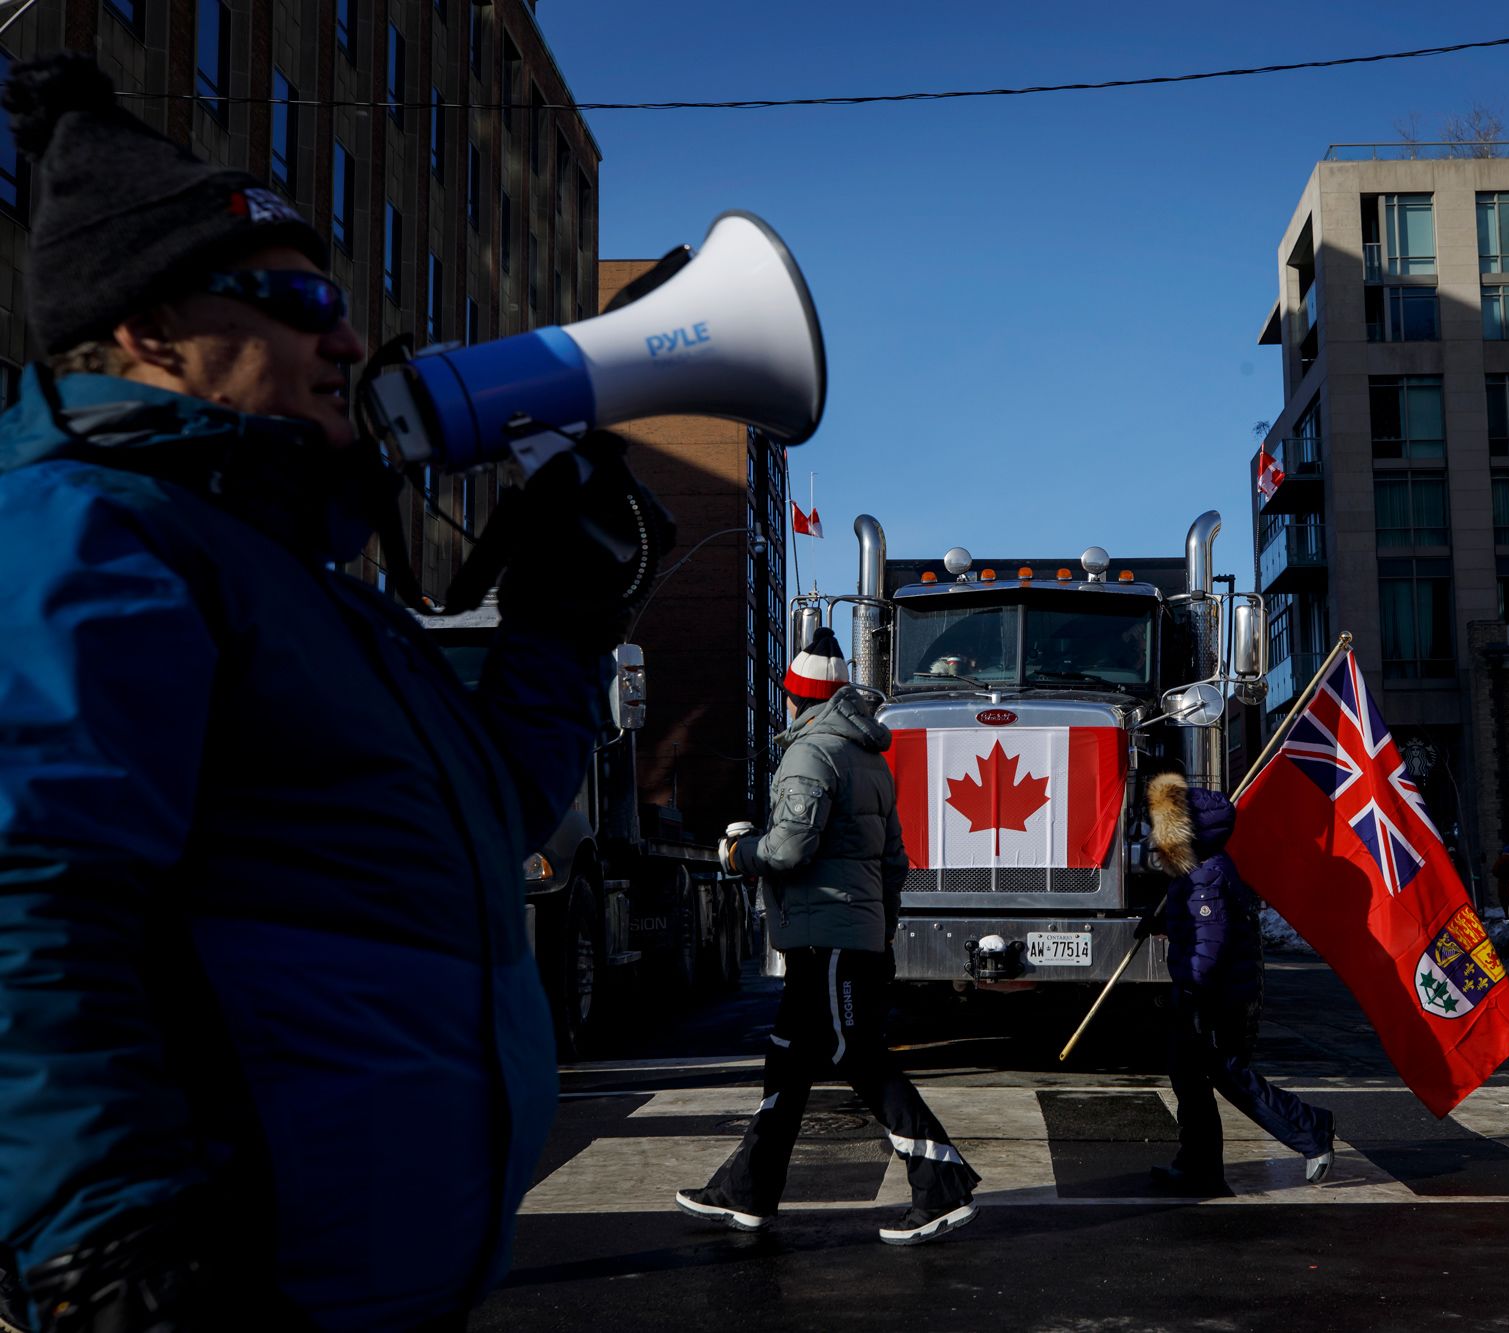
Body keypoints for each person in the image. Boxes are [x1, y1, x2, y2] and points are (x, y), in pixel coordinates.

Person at [0, 55, 666, 1330]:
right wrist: (103, 1241)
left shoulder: (298, 584)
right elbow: (30, 896)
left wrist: (561, 632)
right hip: (226, 1286)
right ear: (148, 330)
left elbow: (473, 835)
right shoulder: (88, 534)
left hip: (359, 1280)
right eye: (299, 300)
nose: (348, 339)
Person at [678, 629, 982, 1246]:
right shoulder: (869, 759)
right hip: (851, 936)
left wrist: (739, 854)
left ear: (799, 698)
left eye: (787, 697)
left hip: (828, 940)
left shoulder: (811, 754)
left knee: (856, 1056)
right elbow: (895, 861)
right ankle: (746, 1194)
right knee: (787, 1064)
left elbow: (788, 850)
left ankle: (941, 1185)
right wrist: (883, 928)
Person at [1143, 773, 1335, 1195]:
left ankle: (1310, 1128)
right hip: (1204, 991)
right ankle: (1198, 1166)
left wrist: (1191, 992)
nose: (1156, 835)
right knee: (1188, 1076)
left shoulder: (1205, 874)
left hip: (1213, 995)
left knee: (1225, 1073)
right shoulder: (1196, 870)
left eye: (1163, 824)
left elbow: (1209, 943)